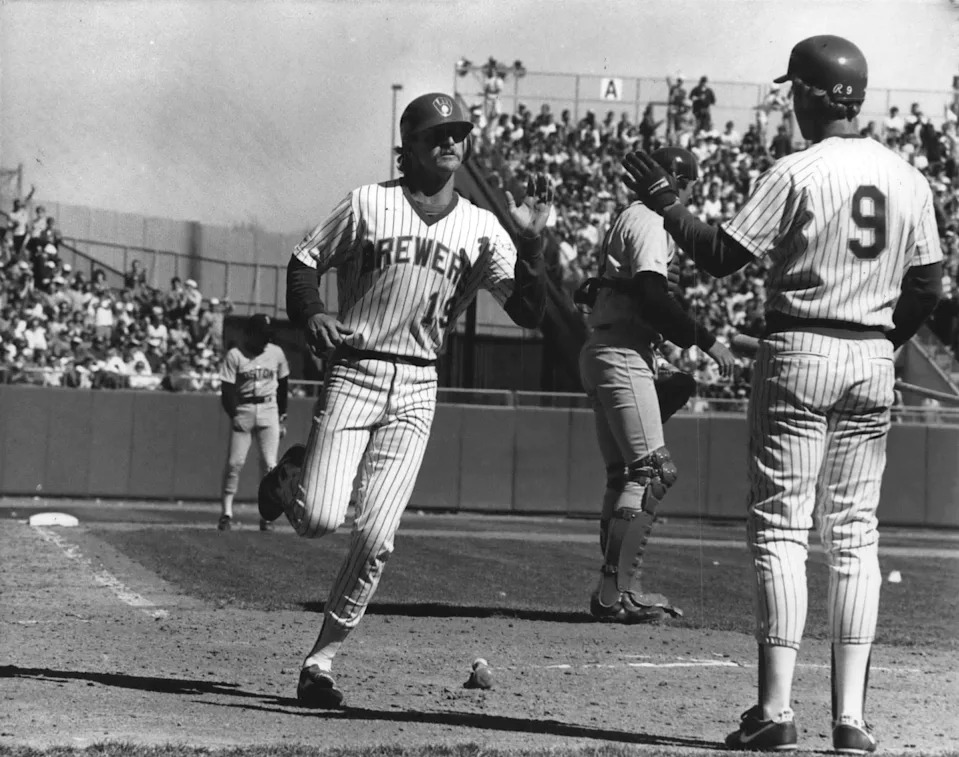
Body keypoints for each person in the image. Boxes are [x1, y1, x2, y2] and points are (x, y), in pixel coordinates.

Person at [621, 35, 943, 754]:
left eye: (790, 89)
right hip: (870, 354)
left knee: (780, 529)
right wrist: (884, 344)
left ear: (805, 92)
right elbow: (927, 286)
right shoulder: (908, 176)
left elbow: (715, 254)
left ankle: (773, 709)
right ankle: (851, 721)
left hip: (798, 346)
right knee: (855, 535)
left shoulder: (795, 169)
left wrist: (664, 202)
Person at [257, 91, 553, 709]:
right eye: (437, 133)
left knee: (377, 537)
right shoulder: (369, 203)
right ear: (409, 147)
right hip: (356, 371)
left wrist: (531, 249)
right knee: (316, 520)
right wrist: (310, 314)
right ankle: (292, 477)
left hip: (418, 384)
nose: (452, 142)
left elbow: (528, 311)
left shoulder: (480, 225)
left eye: (459, 132)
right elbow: (304, 259)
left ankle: (321, 661)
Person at [572, 147, 735, 624]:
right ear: (677, 181)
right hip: (622, 352)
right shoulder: (648, 217)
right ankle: (613, 593)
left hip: (612, 349)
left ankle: (615, 591)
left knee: (624, 476)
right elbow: (650, 293)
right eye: (690, 185)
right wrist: (705, 341)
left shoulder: (633, 216)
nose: (690, 196)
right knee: (652, 473)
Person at [217, 313, 289, 532]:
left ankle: (267, 517)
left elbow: (284, 385)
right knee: (234, 464)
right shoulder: (235, 355)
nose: (265, 339)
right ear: (250, 333)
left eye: (267, 335)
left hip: (269, 409)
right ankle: (226, 513)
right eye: (261, 334)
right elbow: (226, 389)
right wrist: (234, 413)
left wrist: (283, 415)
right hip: (245, 409)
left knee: (270, 465)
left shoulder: (276, 352)